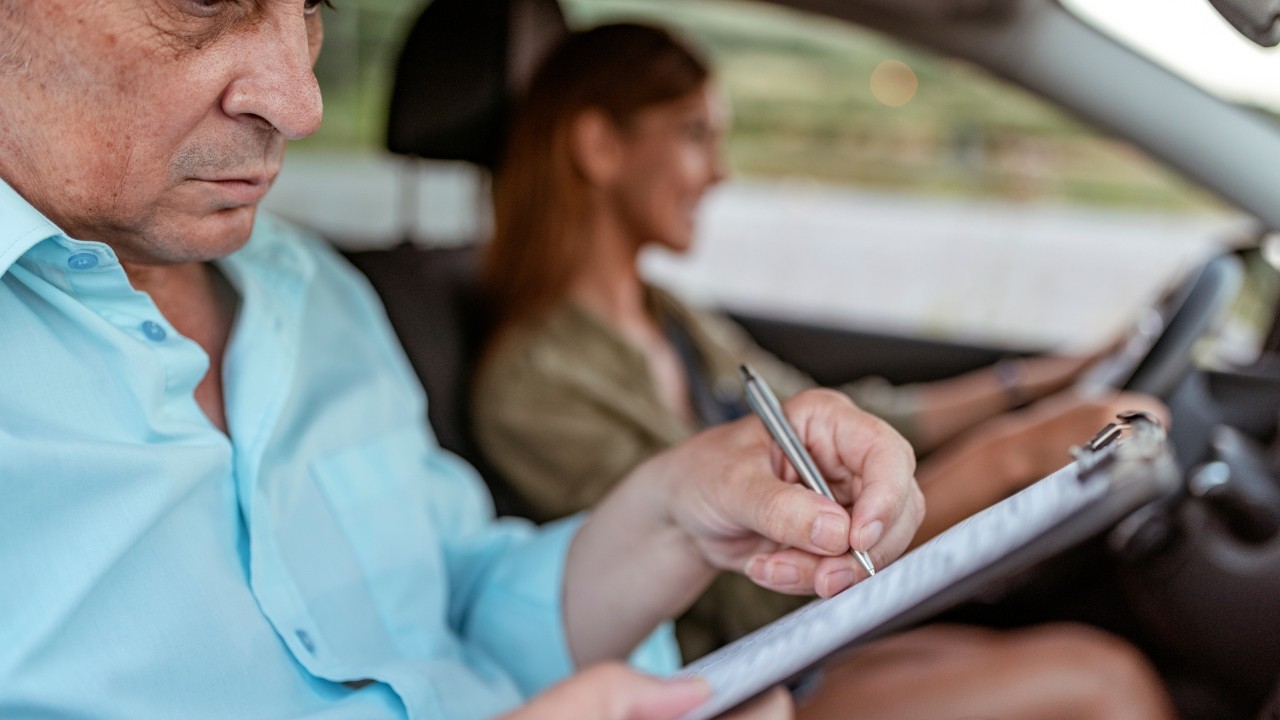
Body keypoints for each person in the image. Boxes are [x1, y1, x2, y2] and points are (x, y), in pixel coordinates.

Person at [0, 3, 930, 719]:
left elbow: (457, 595)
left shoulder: (310, 287)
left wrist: (677, 509)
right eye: (206, 1)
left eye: (314, 5)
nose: (302, 103)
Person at [470, 21, 1176, 719]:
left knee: (1076, 650)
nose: (720, 171)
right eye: (694, 135)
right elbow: (744, 596)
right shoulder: (531, 385)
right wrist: (1009, 458)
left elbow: (838, 416)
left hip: (804, 650)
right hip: (726, 683)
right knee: (1103, 684)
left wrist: (1037, 380)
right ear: (598, 147)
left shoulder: (667, 313)